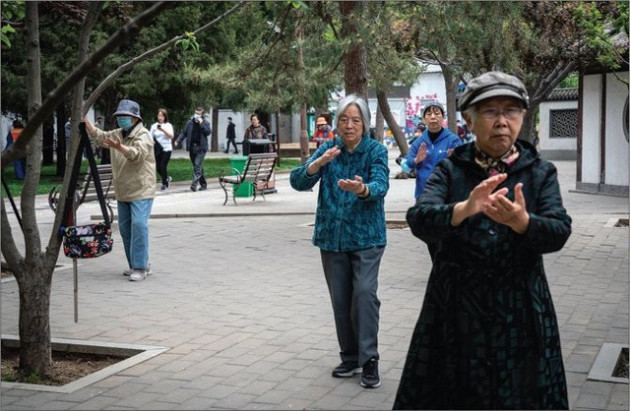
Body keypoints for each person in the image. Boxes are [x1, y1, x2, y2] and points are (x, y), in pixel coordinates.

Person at [393, 71, 572, 410]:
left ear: (522, 117)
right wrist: (462, 209)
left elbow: (559, 230)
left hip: (521, 315)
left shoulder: (539, 172)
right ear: (469, 120)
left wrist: (524, 223)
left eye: (511, 111)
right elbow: (419, 219)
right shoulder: (450, 169)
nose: (502, 121)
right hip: (455, 313)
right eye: (490, 111)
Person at [290, 94, 390, 389]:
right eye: (344, 120)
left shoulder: (375, 151)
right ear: (337, 123)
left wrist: (362, 189)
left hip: (367, 237)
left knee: (363, 294)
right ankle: (350, 356)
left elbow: (381, 185)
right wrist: (317, 164)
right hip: (331, 238)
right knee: (341, 299)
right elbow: (298, 182)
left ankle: (369, 358)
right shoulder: (328, 149)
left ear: (365, 123)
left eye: (355, 120)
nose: (349, 125)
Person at [84, 99, 156, 282]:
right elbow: (100, 137)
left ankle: (140, 267)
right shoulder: (118, 133)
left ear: (134, 118)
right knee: (125, 229)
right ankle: (136, 264)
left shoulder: (144, 135)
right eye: (119, 116)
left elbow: (136, 155)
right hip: (123, 189)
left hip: (141, 189)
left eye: (125, 116)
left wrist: (118, 147)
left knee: (139, 226)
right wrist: (87, 123)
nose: (121, 119)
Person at [404, 101, 461, 199]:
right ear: (424, 119)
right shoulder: (418, 143)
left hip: (447, 194)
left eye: (437, 113)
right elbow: (406, 165)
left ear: (443, 117)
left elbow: (464, 165)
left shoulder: (453, 140)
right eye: (429, 114)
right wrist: (416, 160)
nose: (433, 117)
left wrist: (455, 160)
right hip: (423, 194)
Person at [174, 107, 211, 192]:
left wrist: (201, 124)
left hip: (201, 148)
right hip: (192, 147)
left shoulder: (205, 123)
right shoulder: (189, 123)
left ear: (202, 115)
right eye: (196, 113)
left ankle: (194, 185)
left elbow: (208, 132)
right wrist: (178, 140)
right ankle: (204, 184)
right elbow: (184, 133)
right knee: (198, 166)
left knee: (197, 165)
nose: (196, 115)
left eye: (199, 114)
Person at [149, 108, 175, 191]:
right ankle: (166, 178)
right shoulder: (154, 126)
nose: (160, 117)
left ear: (165, 117)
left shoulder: (168, 125)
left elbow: (171, 136)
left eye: (161, 116)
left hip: (167, 149)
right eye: (159, 115)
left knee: (163, 166)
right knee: (157, 167)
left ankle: (164, 184)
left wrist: (162, 130)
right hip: (157, 149)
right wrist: (151, 141)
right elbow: (149, 136)